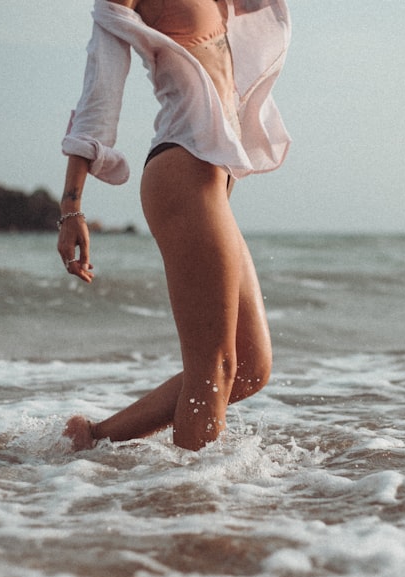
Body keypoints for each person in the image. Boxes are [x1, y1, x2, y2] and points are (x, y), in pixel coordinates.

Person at [56, 0, 291, 452]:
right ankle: (192, 508)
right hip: (182, 172)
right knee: (215, 367)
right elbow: (99, 90)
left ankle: (91, 439)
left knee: (248, 368)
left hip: (214, 179)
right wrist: (72, 206)